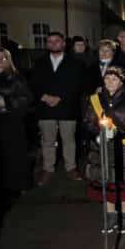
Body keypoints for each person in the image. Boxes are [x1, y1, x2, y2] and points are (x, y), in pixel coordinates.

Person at [82, 66, 125, 234]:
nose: (110, 82)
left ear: (121, 81)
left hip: (123, 148)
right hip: (101, 147)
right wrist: (98, 134)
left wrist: (119, 132)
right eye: (107, 78)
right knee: (106, 182)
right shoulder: (95, 99)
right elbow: (88, 121)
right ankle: (111, 216)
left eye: (114, 79)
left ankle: (124, 216)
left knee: (124, 184)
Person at [31, 31, 83, 186]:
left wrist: (60, 97)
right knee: (48, 141)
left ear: (63, 43)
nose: (53, 43)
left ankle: (71, 168)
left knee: (69, 140)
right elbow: (33, 83)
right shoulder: (39, 63)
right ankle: (48, 169)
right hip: (45, 107)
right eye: (50, 41)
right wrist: (44, 97)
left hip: (67, 106)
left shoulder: (75, 63)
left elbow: (77, 84)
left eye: (57, 41)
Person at [0, 48, 33, 194]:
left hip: (11, 121)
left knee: (15, 154)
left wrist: (8, 102)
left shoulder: (16, 77)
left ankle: (18, 185)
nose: (0, 60)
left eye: (4, 57)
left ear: (9, 60)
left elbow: (28, 97)